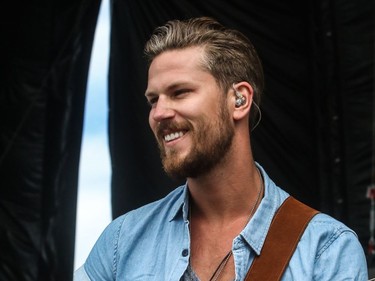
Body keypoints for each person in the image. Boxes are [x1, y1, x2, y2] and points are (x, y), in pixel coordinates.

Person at [74, 17, 368, 280]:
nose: (159, 113)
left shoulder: (326, 249)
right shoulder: (121, 242)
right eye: (153, 99)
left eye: (180, 92)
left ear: (239, 100)